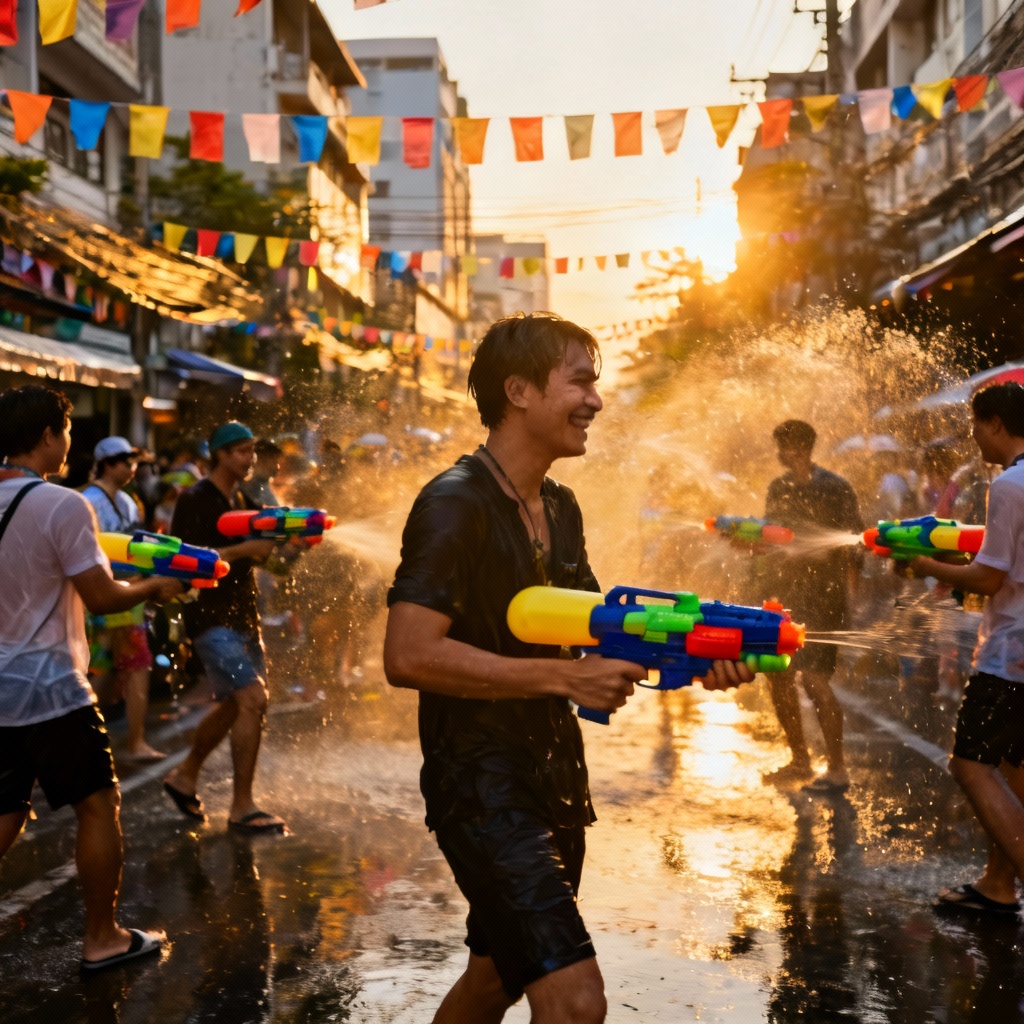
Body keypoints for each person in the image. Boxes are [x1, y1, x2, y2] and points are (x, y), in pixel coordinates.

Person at [383, 312, 752, 1023]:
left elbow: (589, 634)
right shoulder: (454, 502)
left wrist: (697, 654)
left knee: (495, 980)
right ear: (518, 391)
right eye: (580, 381)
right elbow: (408, 654)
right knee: (577, 1002)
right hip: (484, 791)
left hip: (553, 778)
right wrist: (560, 679)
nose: (596, 400)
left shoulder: (559, 504)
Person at [0, 386, 184, 969]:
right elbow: (103, 598)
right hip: (52, 685)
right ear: (50, 436)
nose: (69, 442)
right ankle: (103, 936)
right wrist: (157, 586)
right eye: (67, 431)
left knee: (4, 807)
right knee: (99, 805)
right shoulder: (62, 504)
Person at [907, 382, 1024, 918]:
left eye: (976, 424)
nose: (972, 435)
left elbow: (990, 577)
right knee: (1011, 767)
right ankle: (999, 884)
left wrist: (926, 566)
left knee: (970, 764)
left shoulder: (1010, 484)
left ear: (996, 423)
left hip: (1010, 655)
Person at [163, 421, 285, 835]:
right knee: (251, 697)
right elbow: (181, 561)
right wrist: (242, 550)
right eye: (240, 451)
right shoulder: (195, 498)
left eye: (252, 451)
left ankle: (185, 776)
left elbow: (265, 559)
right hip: (211, 618)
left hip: (244, 616)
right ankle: (241, 807)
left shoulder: (244, 498)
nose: (249, 459)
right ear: (219, 454)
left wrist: (284, 550)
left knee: (239, 703)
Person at [757, 419, 863, 794]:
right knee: (779, 675)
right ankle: (799, 759)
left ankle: (837, 769)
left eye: (783, 447)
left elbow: (855, 543)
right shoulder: (779, 487)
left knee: (815, 680)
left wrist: (851, 599)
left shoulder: (836, 488)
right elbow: (770, 537)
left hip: (824, 597)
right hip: (784, 595)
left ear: (799, 449)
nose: (779, 454)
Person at [82, 436, 165, 763]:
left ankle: (96, 742)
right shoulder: (89, 500)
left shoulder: (129, 502)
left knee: (115, 671)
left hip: (128, 597)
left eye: (133, 462)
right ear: (106, 463)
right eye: (124, 462)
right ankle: (133, 742)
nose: (131, 468)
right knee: (121, 670)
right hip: (105, 595)